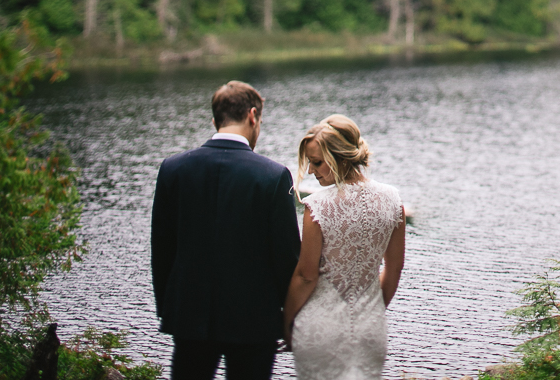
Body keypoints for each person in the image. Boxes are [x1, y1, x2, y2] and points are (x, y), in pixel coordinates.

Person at [151, 81, 301, 380]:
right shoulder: (273, 176)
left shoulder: (173, 168)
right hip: (254, 320)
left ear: (215, 120)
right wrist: (289, 317)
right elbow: (286, 256)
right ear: (253, 116)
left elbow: (162, 248)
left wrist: (169, 308)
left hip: (188, 315)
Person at [283, 115, 406, 380]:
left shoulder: (317, 206)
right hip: (370, 331)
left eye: (317, 163)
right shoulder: (393, 200)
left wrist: (286, 322)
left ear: (339, 157)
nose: (313, 172)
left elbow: (306, 276)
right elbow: (394, 268)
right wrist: (372, 309)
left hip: (320, 330)